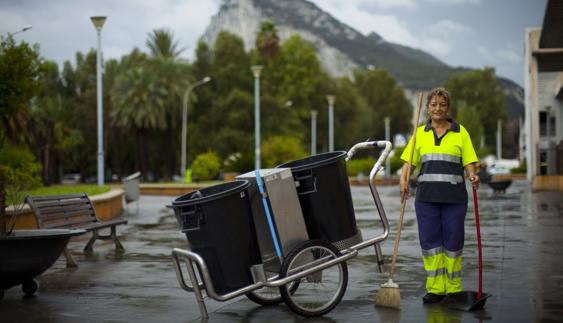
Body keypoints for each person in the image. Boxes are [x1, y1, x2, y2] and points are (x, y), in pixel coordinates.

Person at [399, 87, 480, 304]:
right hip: (426, 199)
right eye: (433, 104)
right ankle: (435, 289)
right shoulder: (420, 133)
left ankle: (453, 288)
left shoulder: (460, 132)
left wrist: (472, 175)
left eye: (442, 104)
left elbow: (469, 159)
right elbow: (409, 161)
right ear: (427, 108)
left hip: (454, 200)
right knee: (430, 244)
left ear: (448, 108)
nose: (438, 108)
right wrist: (403, 180)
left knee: (453, 243)